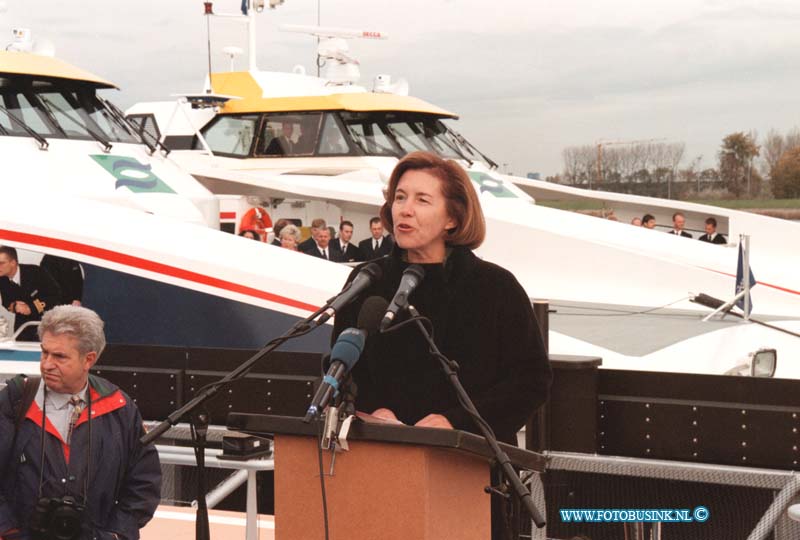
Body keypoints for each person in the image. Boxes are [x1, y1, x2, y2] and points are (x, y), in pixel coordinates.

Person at [333, 151, 551, 540]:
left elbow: (530, 380)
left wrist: (454, 423)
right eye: (399, 197)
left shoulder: (494, 288)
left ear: (452, 218)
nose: (405, 210)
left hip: (466, 476)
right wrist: (372, 408)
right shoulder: (369, 279)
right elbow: (340, 365)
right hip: (377, 471)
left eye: (422, 200)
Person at [0, 305, 161, 540]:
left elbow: (144, 483)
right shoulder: (16, 400)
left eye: (59, 356)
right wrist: (8, 532)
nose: (46, 364)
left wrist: (114, 534)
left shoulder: (118, 406)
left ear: (89, 360)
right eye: (44, 353)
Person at [0, 246, 62, 341]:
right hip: (22, 326)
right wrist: (15, 306)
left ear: (13, 263)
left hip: (46, 322)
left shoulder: (36, 272)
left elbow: (55, 294)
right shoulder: (2, 279)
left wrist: (31, 308)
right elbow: (6, 301)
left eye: (1, 263)